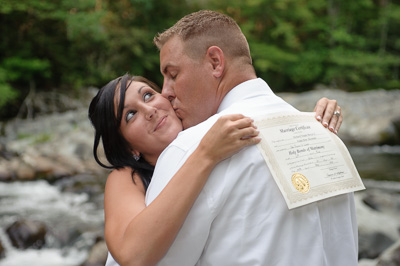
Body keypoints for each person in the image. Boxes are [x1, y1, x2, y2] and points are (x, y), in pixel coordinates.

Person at [142, 10, 357, 266]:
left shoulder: (191, 148)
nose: (165, 92)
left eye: (173, 74)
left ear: (215, 62)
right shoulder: (327, 135)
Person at [89, 76, 344, 265]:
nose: (149, 110)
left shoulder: (208, 128)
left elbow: (259, 114)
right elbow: (134, 255)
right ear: (126, 145)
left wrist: (315, 117)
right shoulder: (125, 178)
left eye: (147, 95)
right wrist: (205, 155)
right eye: (130, 115)